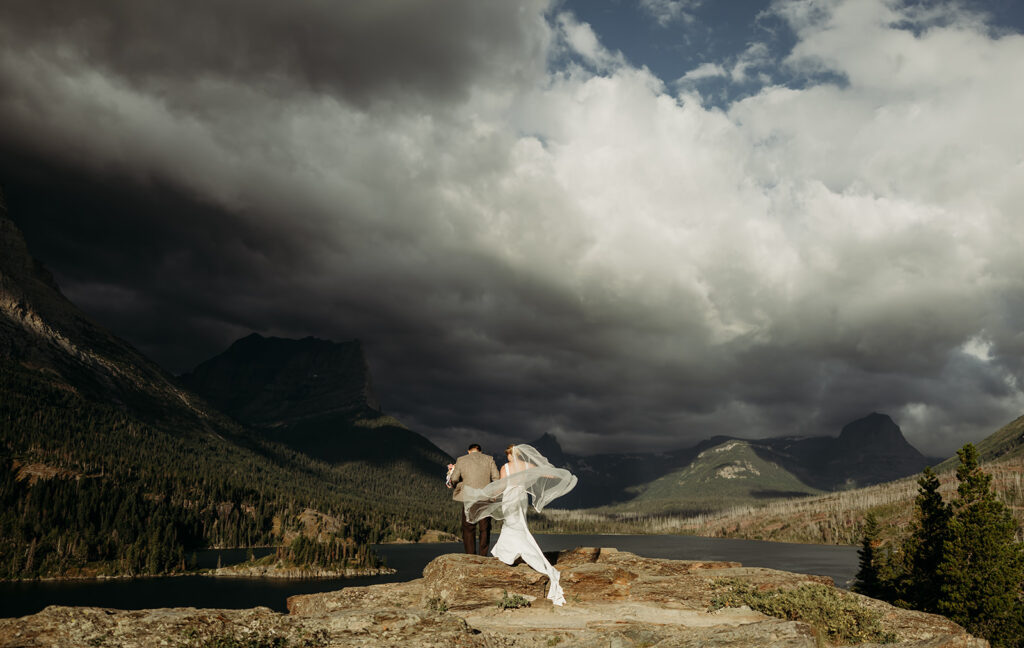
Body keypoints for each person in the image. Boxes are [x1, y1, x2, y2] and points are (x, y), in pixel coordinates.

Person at [461, 443, 577, 606]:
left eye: (508, 455)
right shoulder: (527, 465)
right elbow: (546, 474)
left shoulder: (505, 468)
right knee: (519, 525)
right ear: (520, 454)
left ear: (509, 455)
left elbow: (500, 487)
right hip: (521, 497)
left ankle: (512, 552)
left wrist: (487, 496)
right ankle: (512, 551)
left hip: (509, 498)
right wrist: (556, 475)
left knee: (511, 525)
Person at [447, 443, 500, 555]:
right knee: (484, 528)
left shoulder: (461, 460)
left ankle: (470, 555)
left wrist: (450, 478)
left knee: (468, 528)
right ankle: (483, 555)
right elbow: (496, 478)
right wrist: (495, 494)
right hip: (485, 497)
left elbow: (455, 478)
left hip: (469, 497)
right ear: (480, 451)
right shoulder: (489, 459)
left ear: (469, 451)